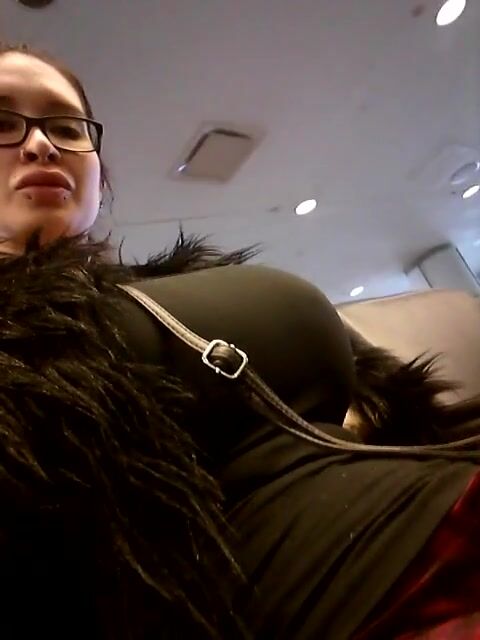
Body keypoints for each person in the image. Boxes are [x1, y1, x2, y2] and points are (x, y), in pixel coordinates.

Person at [1, 42, 480, 640]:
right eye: (3, 122)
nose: (42, 144)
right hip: (392, 602)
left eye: (67, 127)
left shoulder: (171, 284)